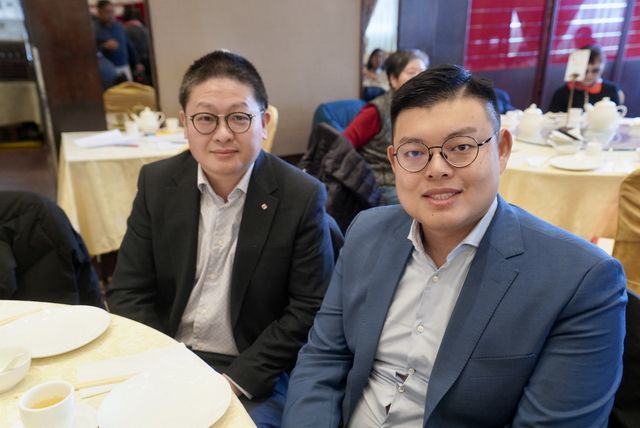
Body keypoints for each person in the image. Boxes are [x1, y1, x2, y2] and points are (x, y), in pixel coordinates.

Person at [283, 64, 627, 427]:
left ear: (502, 149)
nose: (437, 169)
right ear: (394, 162)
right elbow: (324, 357)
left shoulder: (581, 281)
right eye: (414, 153)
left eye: (461, 147)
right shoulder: (366, 231)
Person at [107, 50, 338, 423]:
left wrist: (233, 382)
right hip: (165, 355)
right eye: (205, 119)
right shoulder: (156, 183)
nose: (223, 134)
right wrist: (164, 365)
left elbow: (309, 308)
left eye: (239, 117)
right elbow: (128, 290)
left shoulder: (301, 196)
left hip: (250, 369)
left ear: (263, 122)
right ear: (185, 124)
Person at [344, 49, 429, 204]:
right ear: (393, 79)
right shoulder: (376, 110)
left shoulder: (427, 108)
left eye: (423, 72)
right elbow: (343, 145)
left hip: (418, 176)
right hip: (384, 183)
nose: (419, 78)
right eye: (411, 73)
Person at [548, 44, 625, 112]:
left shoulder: (611, 90)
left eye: (595, 71)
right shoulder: (562, 93)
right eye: (585, 71)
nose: (589, 76)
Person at [94, 0, 144, 81]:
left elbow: (129, 45)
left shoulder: (119, 26)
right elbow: (90, 51)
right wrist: (104, 47)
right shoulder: (94, 29)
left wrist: (137, 62)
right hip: (107, 71)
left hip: (124, 67)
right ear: (99, 13)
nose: (110, 15)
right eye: (107, 12)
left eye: (112, 12)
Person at [122, 5, 152, 85]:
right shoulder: (143, 28)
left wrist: (137, 62)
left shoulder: (127, 30)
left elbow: (132, 49)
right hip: (148, 61)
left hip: (137, 63)